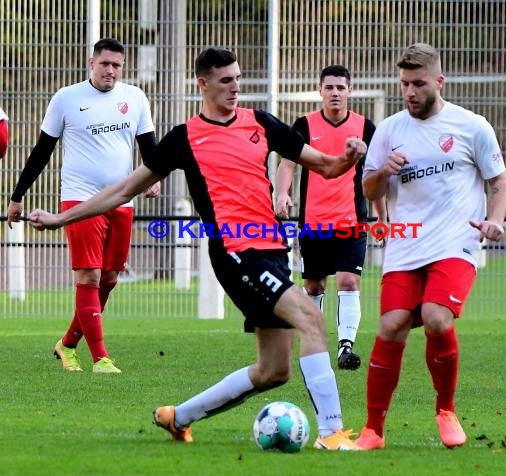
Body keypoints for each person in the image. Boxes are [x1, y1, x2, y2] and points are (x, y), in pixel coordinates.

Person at [28, 47, 367, 450]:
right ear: (203, 84)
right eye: (226, 81)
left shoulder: (261, 123)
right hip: (236, 250)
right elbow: (121, 189)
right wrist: (61, 218)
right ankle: (331, 433)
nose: (235, 87)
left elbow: (327, 166)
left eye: (238, 78)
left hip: (273, 250)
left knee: (273, 371)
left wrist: (348, 156)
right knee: (311, 318)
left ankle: (178, 417)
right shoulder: (184, 137)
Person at [353, 43, 506, 450]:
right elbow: (369, 187)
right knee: (390, 325)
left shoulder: (471, 126)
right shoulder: (389, 130)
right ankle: (373, 430)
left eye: (418, 83)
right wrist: (383, 172)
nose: (409, 91)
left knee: (436, 317)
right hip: (405, 246)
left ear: (439, 82)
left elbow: (499, 182)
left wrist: (495, 220)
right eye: (404, 83)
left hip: (455, 242)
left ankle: (445, 410)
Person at [7, 38, 159, 374]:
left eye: (116, 65)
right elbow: (41, 151)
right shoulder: (67, 98)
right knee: (88, 275)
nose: (110, 70)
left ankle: (67, 344)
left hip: (121, 199)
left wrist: (154, 177)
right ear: (91, 63)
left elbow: (149, 145)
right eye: (104, 64)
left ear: (123, 67)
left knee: (110, 278)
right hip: (79, 197)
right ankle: (101, 358)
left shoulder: (134, 97)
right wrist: (17, 196)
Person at [275, 65, 385, 370]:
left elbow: (376, 175)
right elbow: (287, 163)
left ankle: (345, 347)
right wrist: (282, 193)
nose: (335, 93)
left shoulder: (365, 128)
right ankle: (316, 343)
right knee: (314, 286)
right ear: (320, 91)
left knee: (349, 282)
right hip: (313, 222)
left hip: (352, 220)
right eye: (329, 87)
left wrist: (383, 216)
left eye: (340, 87)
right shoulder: (304, 125)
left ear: (349, 91)